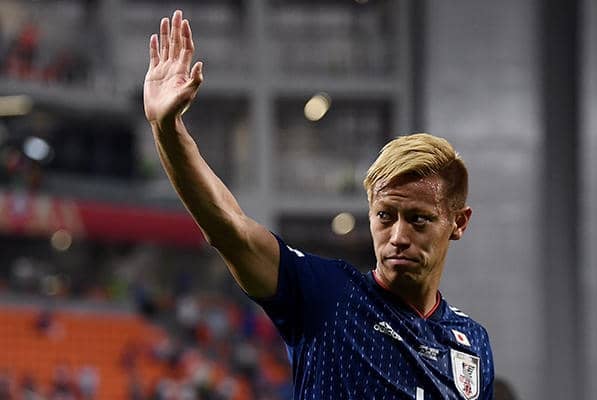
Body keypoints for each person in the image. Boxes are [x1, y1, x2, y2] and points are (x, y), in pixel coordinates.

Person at [143, 10, 494, 399]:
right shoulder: (328, 295)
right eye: (385, 216)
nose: (397, 236)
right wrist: (168, 129)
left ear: (458, 222)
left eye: (418, 219)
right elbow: (231, 230)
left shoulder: (473, 344)